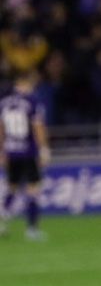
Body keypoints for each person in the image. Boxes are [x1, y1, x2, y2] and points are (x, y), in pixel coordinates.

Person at [0, 70, 51, 241]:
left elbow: (1, 128)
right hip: (28, 151)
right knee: (33, 188)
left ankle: (3, 221)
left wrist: (2, 150)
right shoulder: (32, 101)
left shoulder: (4, 102)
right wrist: (44, 149)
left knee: (12, 187)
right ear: (25, 83)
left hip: (11, 150)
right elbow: (38, 126)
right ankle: (32, 229)